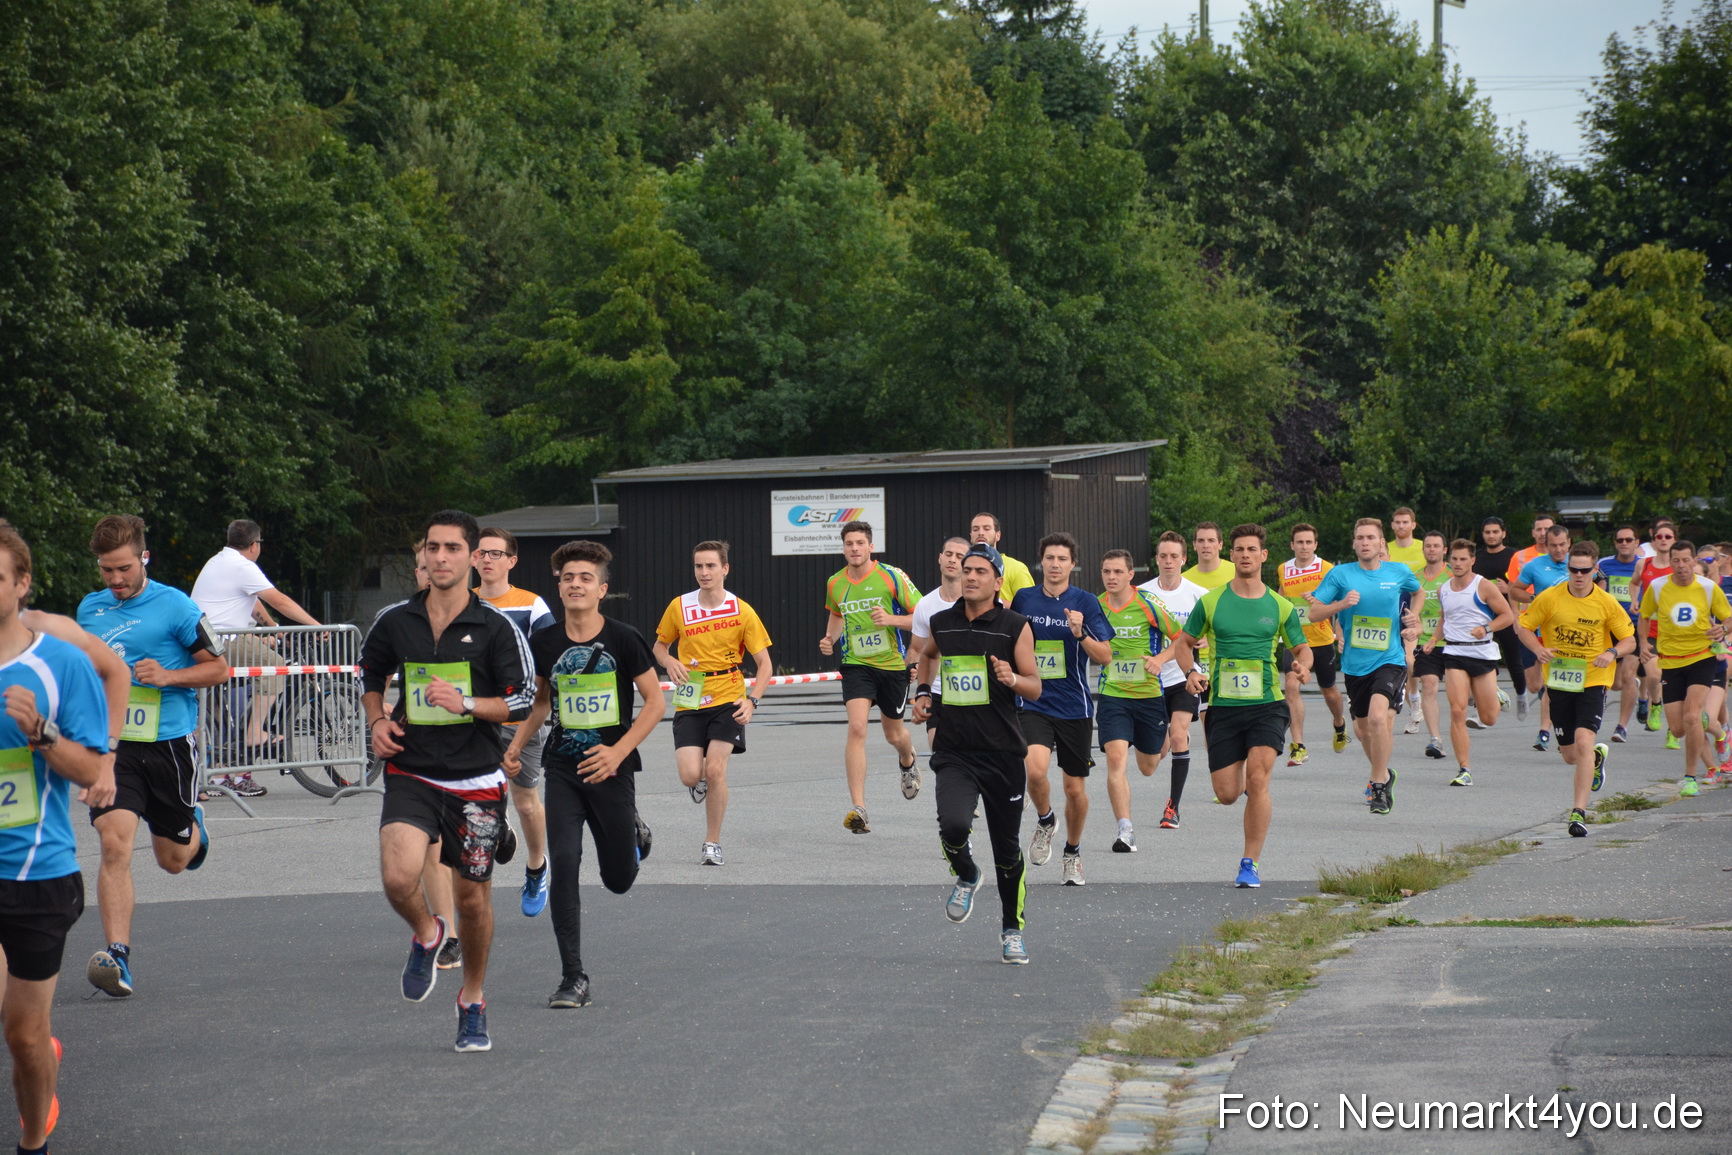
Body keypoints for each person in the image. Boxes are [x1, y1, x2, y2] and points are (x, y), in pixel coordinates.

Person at [361, 510, 536, 1053]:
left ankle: (473, 999)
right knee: (397, 877)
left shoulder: (497, 626)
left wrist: (465, 703)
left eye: (452, 549)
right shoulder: (395, 620)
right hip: (411, 770)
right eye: (432, 548)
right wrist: (377, 721)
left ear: (472, 558)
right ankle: (428, 933)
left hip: (476, 780)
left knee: (474, 902)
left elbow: (524, 699)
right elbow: (370, 676)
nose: (440, 558)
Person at [78, 515, 230, 998]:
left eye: (123, 568)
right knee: (114, 842)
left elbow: (220, 669)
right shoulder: (89, 611)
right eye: (107, 571)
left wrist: (167, 676)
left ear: (143, 557)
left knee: (172, 860)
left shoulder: (177, 607)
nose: (116, 580)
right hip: (115, 747)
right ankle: (117, 956)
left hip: (168, 744)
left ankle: (194, 829)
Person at [507, 541, 663, 1009]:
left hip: (612, 769)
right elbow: (540, 703)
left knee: (618, 879)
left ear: (602, 589)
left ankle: (633, 830)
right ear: (559, 586)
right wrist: (515, 746)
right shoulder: (546, 643)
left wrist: (618, 753)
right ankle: (573, 976)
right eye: (568, 577)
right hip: (563, 768)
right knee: (566, 863)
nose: (576, 584)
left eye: (585, 578)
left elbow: (656, 703)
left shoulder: (623, 637)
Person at [0, 525, 110, 1154]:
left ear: (22, 585)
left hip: (36, 875)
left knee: (21, 1035)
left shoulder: (58, 663)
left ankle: (33, 1138)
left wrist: (40, 731)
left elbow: (93, 770)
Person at [910, 543, 1038, 964]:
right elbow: (926, 657)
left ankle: (1011, 930)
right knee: (953, 825)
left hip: (1002, 754)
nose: (970, 577)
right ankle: (966, 873)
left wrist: (1012, 678)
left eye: (980, 571)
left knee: (1007, 851)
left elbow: (1035, 685)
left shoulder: (1014, 625)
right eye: (967, 570)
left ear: (998, 581)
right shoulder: (942, 623)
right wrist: (924, 692)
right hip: (955, 748)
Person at [1168, 524, 1310, 888]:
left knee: (1259, 781)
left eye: (1252, 549)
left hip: (1267, 704)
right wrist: (1190, 672)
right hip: (1223, 707)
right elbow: (1184, 643)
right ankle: (1245, 778)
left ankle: (1250, 863)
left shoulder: (1280, 605)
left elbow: (1301, 647)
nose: (1245, 555)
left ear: (1263, 556)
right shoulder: (1212, 601)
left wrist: (1302, 664)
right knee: (1228, 794)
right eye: (1239, 550)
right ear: (1231, 556)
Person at [653, 541, 773, 862]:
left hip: (728, 696)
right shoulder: (679, 606)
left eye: (710, 566)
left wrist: (753, 701)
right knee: (691, 775)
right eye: (698, 566)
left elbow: (765, 664)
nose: (704, 573)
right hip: (690, 695)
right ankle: (699, 780)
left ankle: (712, 842)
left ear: (725, 569)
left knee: (717, 770)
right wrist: (669, 663)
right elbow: (659, 647)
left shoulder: (741, 610)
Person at [189, 518, 324, 796]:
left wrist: (274, 630)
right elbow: (280, 600)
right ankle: (255, 733)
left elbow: (252, 601)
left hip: (206, 642)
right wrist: (316, 626)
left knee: (213, 717)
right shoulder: (243, 566)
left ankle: (217, 775)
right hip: (223, 642)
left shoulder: (219, 561)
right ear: (254, 545)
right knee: (275, 665)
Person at [1011, 533, 1113, 886]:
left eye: (1062, 559)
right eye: (1050, 558)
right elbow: (1007, 640)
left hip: (1074, 707)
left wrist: (1080, 633)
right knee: (1035, 770)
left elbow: (1106, 656)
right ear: (1042, 562)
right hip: (1034, 702)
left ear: (1073, 564)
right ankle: (1045, 820)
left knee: (1075, 790)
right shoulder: (1024, 599)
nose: (1055, 565)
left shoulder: (1085, 601)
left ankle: (1072, 852)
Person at [1517, 542, 1634, 836]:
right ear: (1568, 568)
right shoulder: (1551, 597)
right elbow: (1525, 626)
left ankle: (1578, 813)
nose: (1579, 575)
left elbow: (1629, 640)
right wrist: (1538, 649)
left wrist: (1612, 653)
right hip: (1560, 680)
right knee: (1570, 755)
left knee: (1584, 741)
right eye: (1573, 570)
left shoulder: (1606, 602)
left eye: (1585, 570)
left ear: (1595, 570)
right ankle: (1595, 759)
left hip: (1594, 679)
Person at [1309, 518, 1421, 816]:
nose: (1365, 542)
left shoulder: (1397, 572)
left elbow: (1418, 592)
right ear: (1354, 543)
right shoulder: (1340, 575)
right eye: (1360, 538)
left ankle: (1378, 785)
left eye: (1371, 537)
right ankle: (1384, 773)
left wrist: (1414, 619)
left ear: (1381, 543)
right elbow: (1314, 612)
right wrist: (1341, 605)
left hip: (1390, 659)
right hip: (1355, 665)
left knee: (1376, 719)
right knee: (1361, 729)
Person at [474, 527, 556, 918]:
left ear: (512, 560)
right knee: (473, 799)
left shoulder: (532, 606)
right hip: (472, 717)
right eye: (481, 553)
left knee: (526, 802)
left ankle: (537, 866)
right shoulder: (460, 601)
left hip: (521, 718)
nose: (487, 560)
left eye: (495, 553)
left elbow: (549, 667)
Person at [820, 521, 922, 826]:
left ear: (870, 547)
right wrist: (830, 639)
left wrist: (891, 619)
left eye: (860, 543)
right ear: (843, 548)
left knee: (894, 734)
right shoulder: (835, 582)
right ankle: (859, 807)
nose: (854, 549)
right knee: (857, 728)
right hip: (856, 665)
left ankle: (908, 760)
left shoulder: (891, 576)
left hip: (891, 666)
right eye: (849, 544)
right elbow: (837, 614)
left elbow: (921, 616)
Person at [1095, 550, 1179, 854]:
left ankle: (1164, 739)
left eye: (1118, 572)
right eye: (1106, 572)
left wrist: (1160, 659)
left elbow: (1184, 637)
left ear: (1131, 575)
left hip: (1148, 696)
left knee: (1147, 766)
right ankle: (1125, 829)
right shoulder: (1096, 606)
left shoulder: (1148, 604)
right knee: (1116, 760)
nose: (1111, 578)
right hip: (1112, 695)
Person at [1638, 539, 1732, 797]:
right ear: (1670, 563)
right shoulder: (1657, 588)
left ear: (1694, 561)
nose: (1681, 566)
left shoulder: (1708, 587)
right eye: (1676, 561)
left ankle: (1690, 777)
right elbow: (1644, 616)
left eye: (1686, 560)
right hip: (1670, 661)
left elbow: (1728, 617)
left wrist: (1723, 629)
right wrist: (1644, 642)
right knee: (1679, 728)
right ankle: (1712, 730)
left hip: (1702, 657)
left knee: (1692, 717)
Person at [1428, 539, 1515, 786]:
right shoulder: (1443, 588)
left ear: (1472, 561)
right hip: (1454, 652)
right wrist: (1434, 640)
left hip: (1482, 653)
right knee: (1457, 711)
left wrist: (1486, 627)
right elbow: (1445, 619)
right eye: (1454, 559)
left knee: (1489, 719)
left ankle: (1495, 696)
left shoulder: (1484, 586)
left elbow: (1507, 616)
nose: (1458, 563)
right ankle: (1464, 769)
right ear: (1449, 561)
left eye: (1463, 559)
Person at [1139, 532, 1208, 830]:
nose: (1168, 561)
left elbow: (1211, 630)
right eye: (1163, 556)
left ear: (1184, 559)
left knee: (1178, 736)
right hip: (1151, 681)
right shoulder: (1141, 592)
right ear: (1156, 559)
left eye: (1173, 556)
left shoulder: (1198, 594)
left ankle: (1173, 808)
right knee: (1156, 755)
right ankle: (1169, 741)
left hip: (1184, 676)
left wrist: (1205, 638)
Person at [1277, 523, 1346, 765]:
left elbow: (1341, 602)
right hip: (1295, 641)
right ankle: (1298, 745)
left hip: (1321, 640)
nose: (1304, 546)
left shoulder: (1327, 569)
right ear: (1292, 545)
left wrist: (1321, 604)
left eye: (1308, 542)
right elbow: (1281, 599)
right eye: (1299, 542)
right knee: (1291, 684)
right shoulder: (1283, 569)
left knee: (1329, 691)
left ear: (1315, 545)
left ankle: (1339, 723)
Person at [1514, 525, 1573, 751]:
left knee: (1553, 685)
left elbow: (1599, 586)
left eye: (1562, 545)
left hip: (1563, 636)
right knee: (1534, 685)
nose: (1558, 550)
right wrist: (1533, 598)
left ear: (1569, 543)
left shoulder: (1577, 566)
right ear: (1546, 546)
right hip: (1535, 633)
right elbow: (1515, 590)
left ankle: (1545, 731)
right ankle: (1554, 709)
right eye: (1553, 545)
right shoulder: (1535, 565)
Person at [908, 537, 969, 749]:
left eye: (960, 557)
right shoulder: (925, 604)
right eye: (949, 554)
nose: (953, 560)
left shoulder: (983, 603)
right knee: (940, 754)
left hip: (975, 691)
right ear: (940, 558)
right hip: (938, 692)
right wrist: (918, 686)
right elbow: (917, 648)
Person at [1474, 516, 1529, 719]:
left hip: (1507, 614)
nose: (1491, 535)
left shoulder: (1513, 556)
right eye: (1487, 532)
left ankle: (1521, 695)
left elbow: (1524, 585)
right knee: (1481, 657)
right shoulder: (1477, 559)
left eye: (1495, 532)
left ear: (1503, 533)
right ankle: (1492, 693)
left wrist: (1509, 588)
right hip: (1483, 616)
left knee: (1514, 659)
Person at [1597, 525, 1645, 743]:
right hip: (1609, 627)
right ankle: (1633, 686)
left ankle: (1622, 726)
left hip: (1634, 627)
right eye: (1620, 540)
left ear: (1637, 542)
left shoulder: (1643, 566)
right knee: (1613, 682)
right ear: (1615, 543)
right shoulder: (1604, 565)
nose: (1624, 543)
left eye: (1629, 539)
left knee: (1627, 675)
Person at [1632, 520, 1679, 736]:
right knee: (1652, 676)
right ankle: (1656, 704)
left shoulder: (1680, 567)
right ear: (1654, 540)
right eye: (1659, 537)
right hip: (1650, 631)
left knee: (1676, 684)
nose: (1663, 540)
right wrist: (1635, 600)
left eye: (1668, 537)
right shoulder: (1645, 564)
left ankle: (1673, 729)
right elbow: (1634, 583)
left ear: (1675, 540)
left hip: (1676, 633)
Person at [1408, 531, 1451, 758]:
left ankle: (1489, 690)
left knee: (1459, 696)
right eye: (1428, 546)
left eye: (1436, 546)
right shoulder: (1414, 579)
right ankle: (1435, 739)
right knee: (1429, 685)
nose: (1431, 549)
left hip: (1454, 642)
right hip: (1427, 643)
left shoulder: (1454, 576)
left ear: (1445, 550)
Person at [969, 513, 1034, 603]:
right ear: (971, 535)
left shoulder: (1016, 568)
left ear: (998, 535)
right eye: (975, 529)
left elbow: (1029, 607)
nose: (980, 533)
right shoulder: (963, 567)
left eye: (986, 529)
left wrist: (992, 602)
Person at [1182, 523, 1232, 591]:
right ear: (1194, 545)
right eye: (1201, 541)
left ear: (1220, 545)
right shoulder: (1183, 580)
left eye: (1211, 540)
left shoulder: (1237, 572)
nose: (1206, 545)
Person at [1386, 508, 1425, 572]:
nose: (1401, 526)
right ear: (1392, 525)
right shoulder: (1384, 550)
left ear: (1413, 525)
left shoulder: (1425, 547)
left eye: (1405, 522)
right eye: (1397, 522)